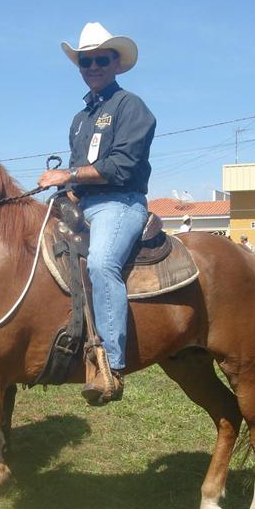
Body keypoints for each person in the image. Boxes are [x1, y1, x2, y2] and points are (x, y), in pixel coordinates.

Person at [37, 22, 156, 406]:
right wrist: (65, 190)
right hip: (82, 204)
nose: (92, 67)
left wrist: (67, 174)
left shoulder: (131, 106)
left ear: (116, 64)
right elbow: (77, 175)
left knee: (102, 264)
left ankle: (110, 365)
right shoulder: (80, 119)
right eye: (85, 62)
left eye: (100, 60)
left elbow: (122, 166)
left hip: (120, 203)